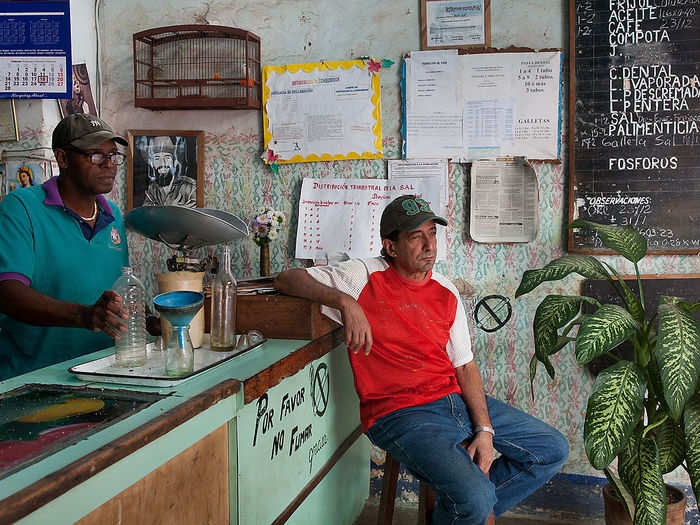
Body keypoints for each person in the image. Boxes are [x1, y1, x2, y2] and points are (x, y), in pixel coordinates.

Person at [274, 195, 568, 524]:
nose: (429, 245)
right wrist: (344, 301)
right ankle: (469, 506)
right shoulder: (362, 276)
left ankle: (462, 510)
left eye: (432, 233)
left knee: (551, 449)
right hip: (397, 413)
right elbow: (287, 279)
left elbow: (465, 366)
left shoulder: (446, 291)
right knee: (475, 496)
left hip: (450, 400)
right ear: (391, 247)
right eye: (416, 236)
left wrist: (484, 429)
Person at [0, 114, 132, 380]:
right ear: (62, 158)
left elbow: (118, 290)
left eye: (113, 155)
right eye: (96, 155)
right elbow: (7, 293)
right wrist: (83, 316)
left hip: (100, 373)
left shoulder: (113, 216)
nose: (109, 165)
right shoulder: (21, 208)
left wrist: (149, 319)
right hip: (34, 379)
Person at [141, 135, 197, 207]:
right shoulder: (152, 189)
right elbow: (145, 213)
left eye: (167, 158)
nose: (162, 163)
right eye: (157, 158)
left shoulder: (189, 188)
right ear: (152, 164)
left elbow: (195, 215)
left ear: (175, 162)